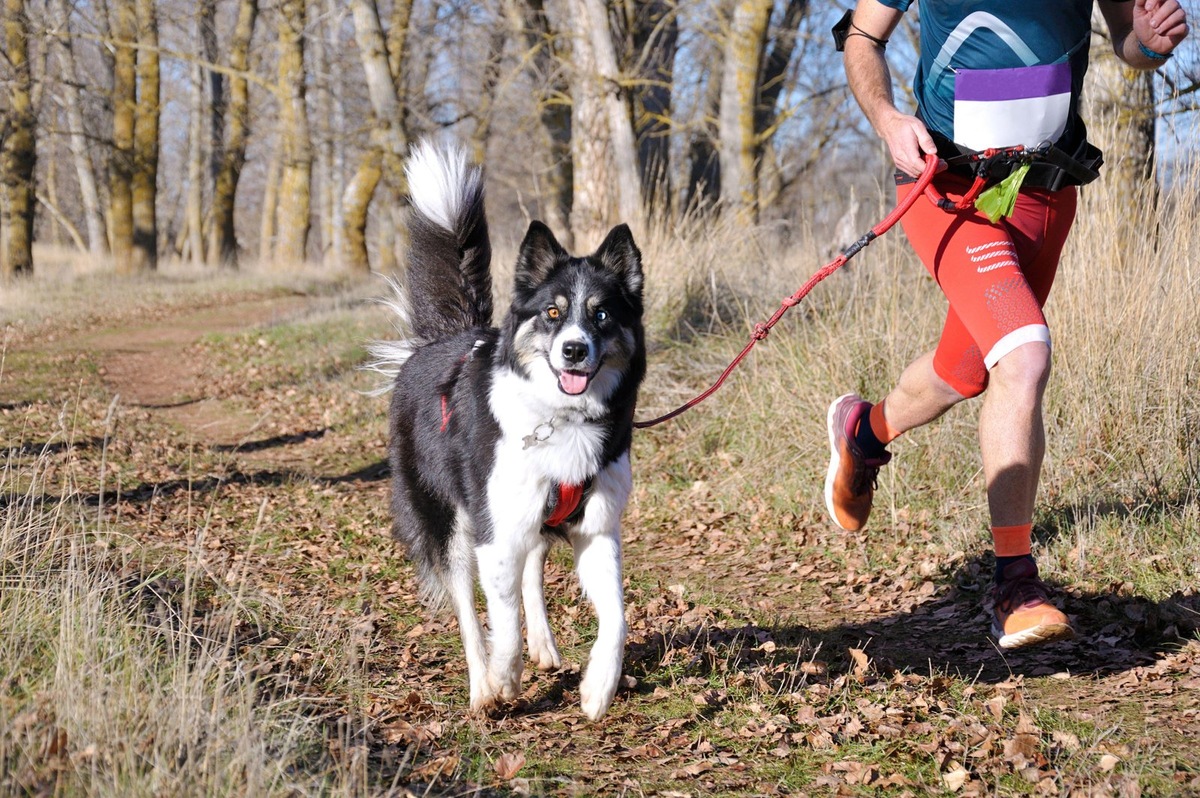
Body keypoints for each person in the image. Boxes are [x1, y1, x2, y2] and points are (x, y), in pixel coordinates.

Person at [827, 0, 1189, 649]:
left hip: (1048, 195)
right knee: (1023, 354)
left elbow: (1127, 41)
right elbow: (860, 36)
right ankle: (1015, 586)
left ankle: (864, 432)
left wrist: (1151, 43)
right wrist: (886, 120)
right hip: (948, 187)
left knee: (961, 373)